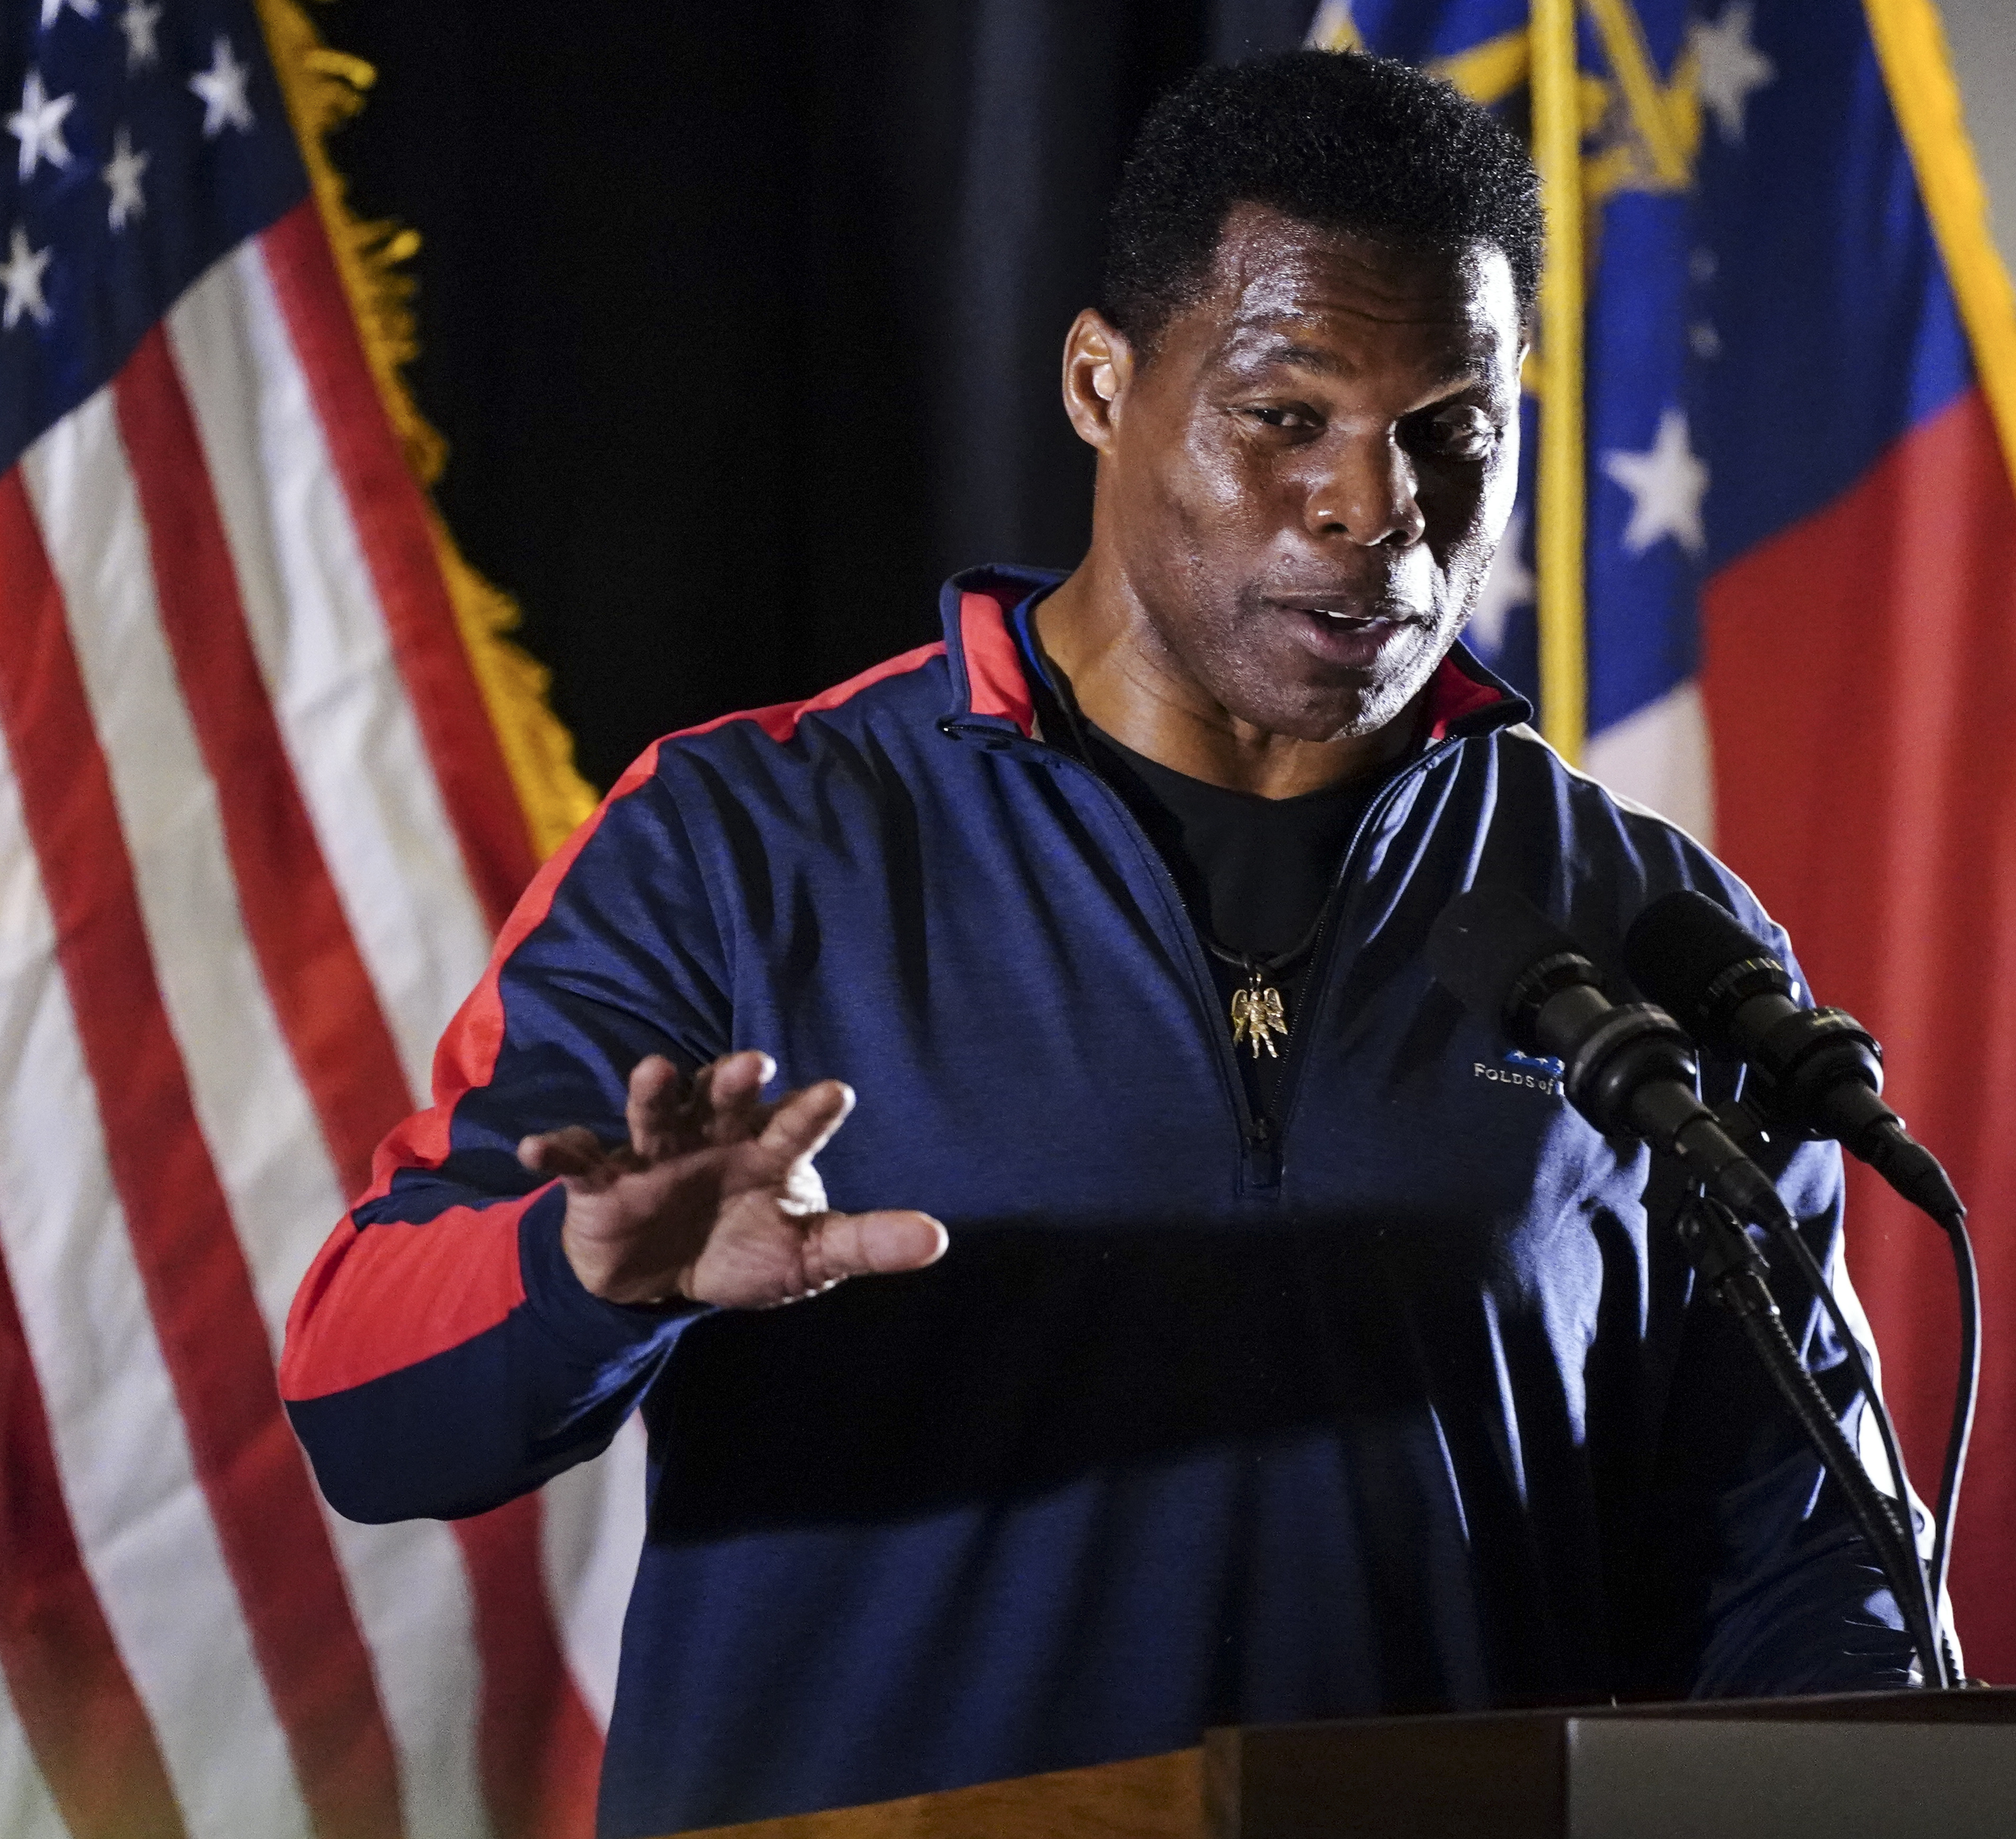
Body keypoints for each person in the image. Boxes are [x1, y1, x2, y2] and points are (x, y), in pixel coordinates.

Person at [281, 48, 1915, 1838]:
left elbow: (1809, 1565)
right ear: (1098, 382)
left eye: (1451, 429)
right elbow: (360, 1399)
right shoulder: (743, 843)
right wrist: (581, 1280)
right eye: (1284, 415)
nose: (1374, 507)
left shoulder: (1641, 922)